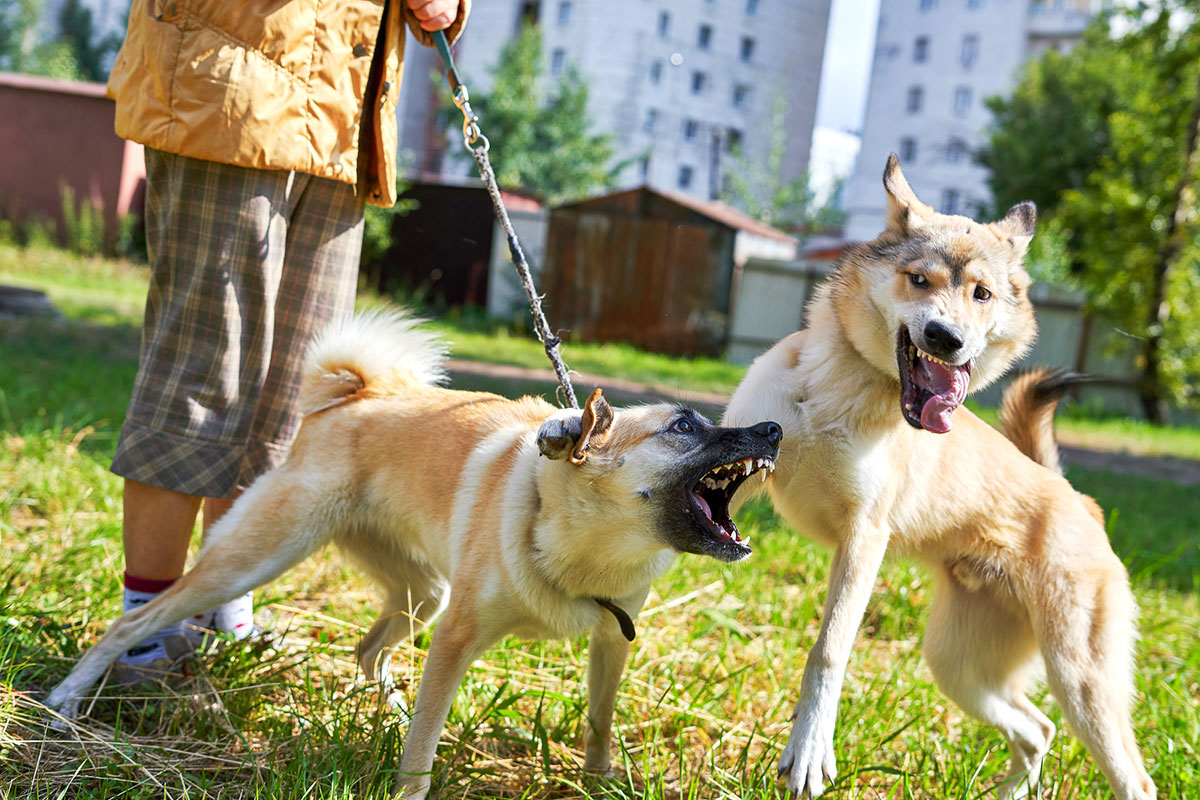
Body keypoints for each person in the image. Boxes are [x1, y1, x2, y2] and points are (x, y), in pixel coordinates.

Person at [106, 0, 470, 668]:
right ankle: (142, 636)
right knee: (202, 371)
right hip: (227, 86)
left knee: (304, 395)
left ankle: (223, 606)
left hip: (346, 115)